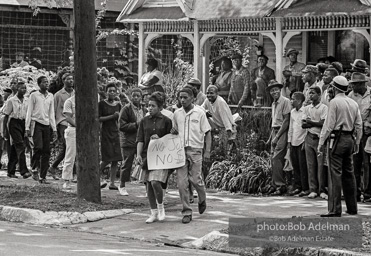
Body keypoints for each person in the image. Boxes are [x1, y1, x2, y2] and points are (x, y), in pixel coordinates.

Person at [318, 76, 362, 217]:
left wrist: (321, 142)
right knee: (349, 174)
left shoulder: (334, 102)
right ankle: (352, 207)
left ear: (335, 88)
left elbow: (329, 125)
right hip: (350, 138)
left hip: (336, 139)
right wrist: (357, 143)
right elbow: (359, 126)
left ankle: (335, 209)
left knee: (335, 174)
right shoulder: (353, 103)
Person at [171, 87, 211, 224]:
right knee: (182, 183)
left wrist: (207, 151)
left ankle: (202, 197)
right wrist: (173, 132)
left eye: (185, 97)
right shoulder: (176, 114)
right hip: (180, 151)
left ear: (192, 98)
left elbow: (207, 132)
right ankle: (186, 211)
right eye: (180, 97)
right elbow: (174, 131)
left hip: (195, 150)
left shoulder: (200, 113)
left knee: (196, 180)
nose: (182, 100)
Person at [136, 93, 172, 223]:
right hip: (147, 156)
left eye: (153, 106)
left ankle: (161, 206)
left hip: (161, 157)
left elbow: (170, 140)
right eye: (148, 106)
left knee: (156, 182)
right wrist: (138, 155)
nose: (149, 108)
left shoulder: (167, 121)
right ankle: (153, 212)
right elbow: (140, 139)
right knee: (148, 185)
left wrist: (160, 139)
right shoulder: (144, 121)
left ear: (160, 107)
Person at [25, 76, 57, 183]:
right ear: (39, 84)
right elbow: (29, 111)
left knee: (46, 151)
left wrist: (54, 128)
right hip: (36, 123)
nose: (46, 84)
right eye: (44, 82)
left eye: (47, 82)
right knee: (38, 147)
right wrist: (27, 127)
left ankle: (43, 176)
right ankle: (34, 168)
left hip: (46, 124)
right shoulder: (34, 95)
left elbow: (51, 113)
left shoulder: (50, 96)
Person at [347, 72, 371, 202]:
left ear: (362, 84)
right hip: (355, 133)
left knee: (367, 164)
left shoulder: (370, 94)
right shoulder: (351, 96)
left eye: (355, 84)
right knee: (355, 164)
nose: (353, 87)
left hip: (368, 133)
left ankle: (367, 193)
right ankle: (355, 193)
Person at [118, 88, 146, 196]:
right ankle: (122, 185)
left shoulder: (143, 109)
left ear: (141, 97)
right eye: (133, 96)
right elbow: (121, 125)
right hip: (128, 141)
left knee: (144, 162)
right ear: (130, 97)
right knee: (127, 164)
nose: (136, 98)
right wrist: (136, 125)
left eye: (138, 96)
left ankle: (147, 186)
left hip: (140, 140)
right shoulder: (126, 109)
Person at [302, 86, 328, 199]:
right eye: (309, 93)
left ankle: (322, 189)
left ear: (319, 94)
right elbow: (303, 124)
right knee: (311, 164)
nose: (310, 95)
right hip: (309, 137)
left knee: (321, 165)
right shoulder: (307, 108)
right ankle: (313, 189)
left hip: (319, 138)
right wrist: (313, 123)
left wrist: (310, 122)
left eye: (313, 93)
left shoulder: (324, 108)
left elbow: (323, 123)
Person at [267, 80, 292, 195]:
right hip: (275, 131)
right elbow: (274, 121)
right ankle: (274, 184)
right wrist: (270, 137)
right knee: (273, 158)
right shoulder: (274, 103)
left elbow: (286, 120)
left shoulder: (285, 101)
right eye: (272, 90)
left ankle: (280, 185)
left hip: (282, 132)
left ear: (280, 90)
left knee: (277, 158)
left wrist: (277, 137)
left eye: (276, 89)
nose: (274, 92)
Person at [3, 79, 32, 179]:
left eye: (25, 88)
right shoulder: (11, 100)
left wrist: (28, 127)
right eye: (21, 88)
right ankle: (24, 171)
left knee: (16, 148)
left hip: (23, 123)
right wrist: (4, 130)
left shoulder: (27, 100)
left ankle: (10, 171)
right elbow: (6, 116)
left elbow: (28, 115)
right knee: (20, 145)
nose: (23, 90)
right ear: (17, 89)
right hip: (14, 123)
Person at [49, 73, 74, 180]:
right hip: (63, 123)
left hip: (74, 124)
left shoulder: (75, 93)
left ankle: (56, 168)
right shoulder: (58, 95)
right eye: (68, 79)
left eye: (72, 79)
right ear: (63, 81)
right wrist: (54, 127)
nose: (71, 81)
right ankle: (56, 168)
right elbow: (53, 111)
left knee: (70, 148)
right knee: (67, 147)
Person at [98, 82, 122, 190]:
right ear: (106, 92)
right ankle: (96, 176)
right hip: (106, 133)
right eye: (110, 91)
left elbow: (121, 119)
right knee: (106, 158)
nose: (112, 93)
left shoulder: (118, 105)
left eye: (114, 91)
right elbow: (99, 118)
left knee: (115, 159)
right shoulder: (102, 104)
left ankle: (112, 182)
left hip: (115, 133)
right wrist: (112, 116)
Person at [287, 92, 308, 196]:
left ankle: (305, 188)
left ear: (299, 101)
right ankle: (298, 186)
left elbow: (307, 128)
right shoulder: (292, 112)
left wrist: (305, 141)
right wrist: (289, 142)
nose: (291, 101)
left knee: (302, 165)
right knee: (295, 165)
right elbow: (291, 128)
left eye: (293, 99)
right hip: (294, 141)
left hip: (302, 141)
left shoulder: (305, 110)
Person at [61, 94, 76, 190]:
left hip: (87, 131)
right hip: (73, 129)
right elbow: (68, 117)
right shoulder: (70, 101)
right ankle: (67, 180)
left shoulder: (89, 99)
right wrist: (79, 126)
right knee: (70, 155)